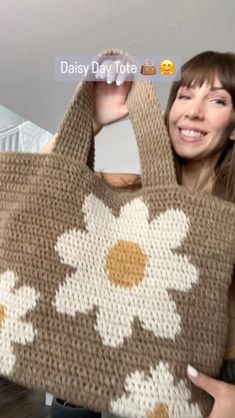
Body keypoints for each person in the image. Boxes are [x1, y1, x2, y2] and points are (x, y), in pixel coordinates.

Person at [41, 50, 235, 418]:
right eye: (184, 94)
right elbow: (45, 181)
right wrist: (93, 120)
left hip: (216, 384)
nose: (193, 111)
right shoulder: (131, 192)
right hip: (126, 366)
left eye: (217, 99)